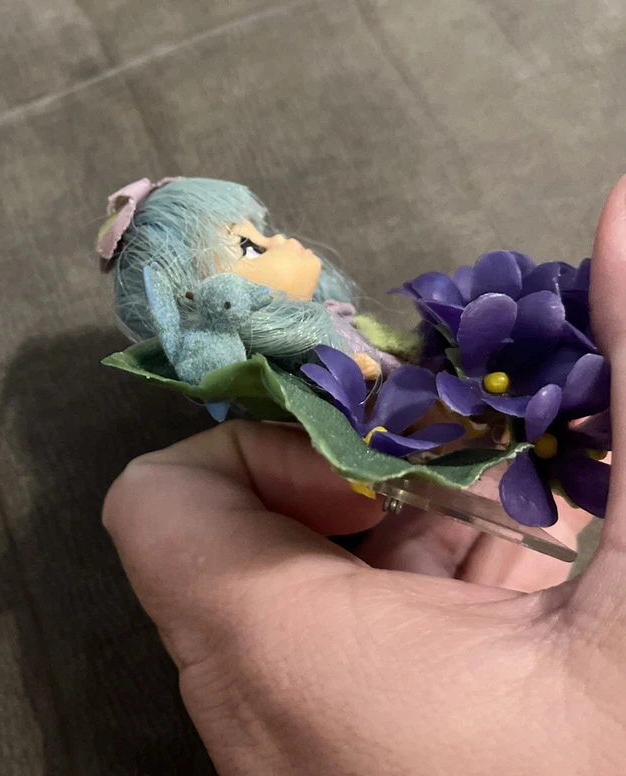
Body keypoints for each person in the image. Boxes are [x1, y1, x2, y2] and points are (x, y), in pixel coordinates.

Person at [103, 176, 626, 776]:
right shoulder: (301, 350)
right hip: (405, 445)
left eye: (265, 230)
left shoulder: (333, 324)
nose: (286, 241)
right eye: (251, 246)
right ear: (200, 298)